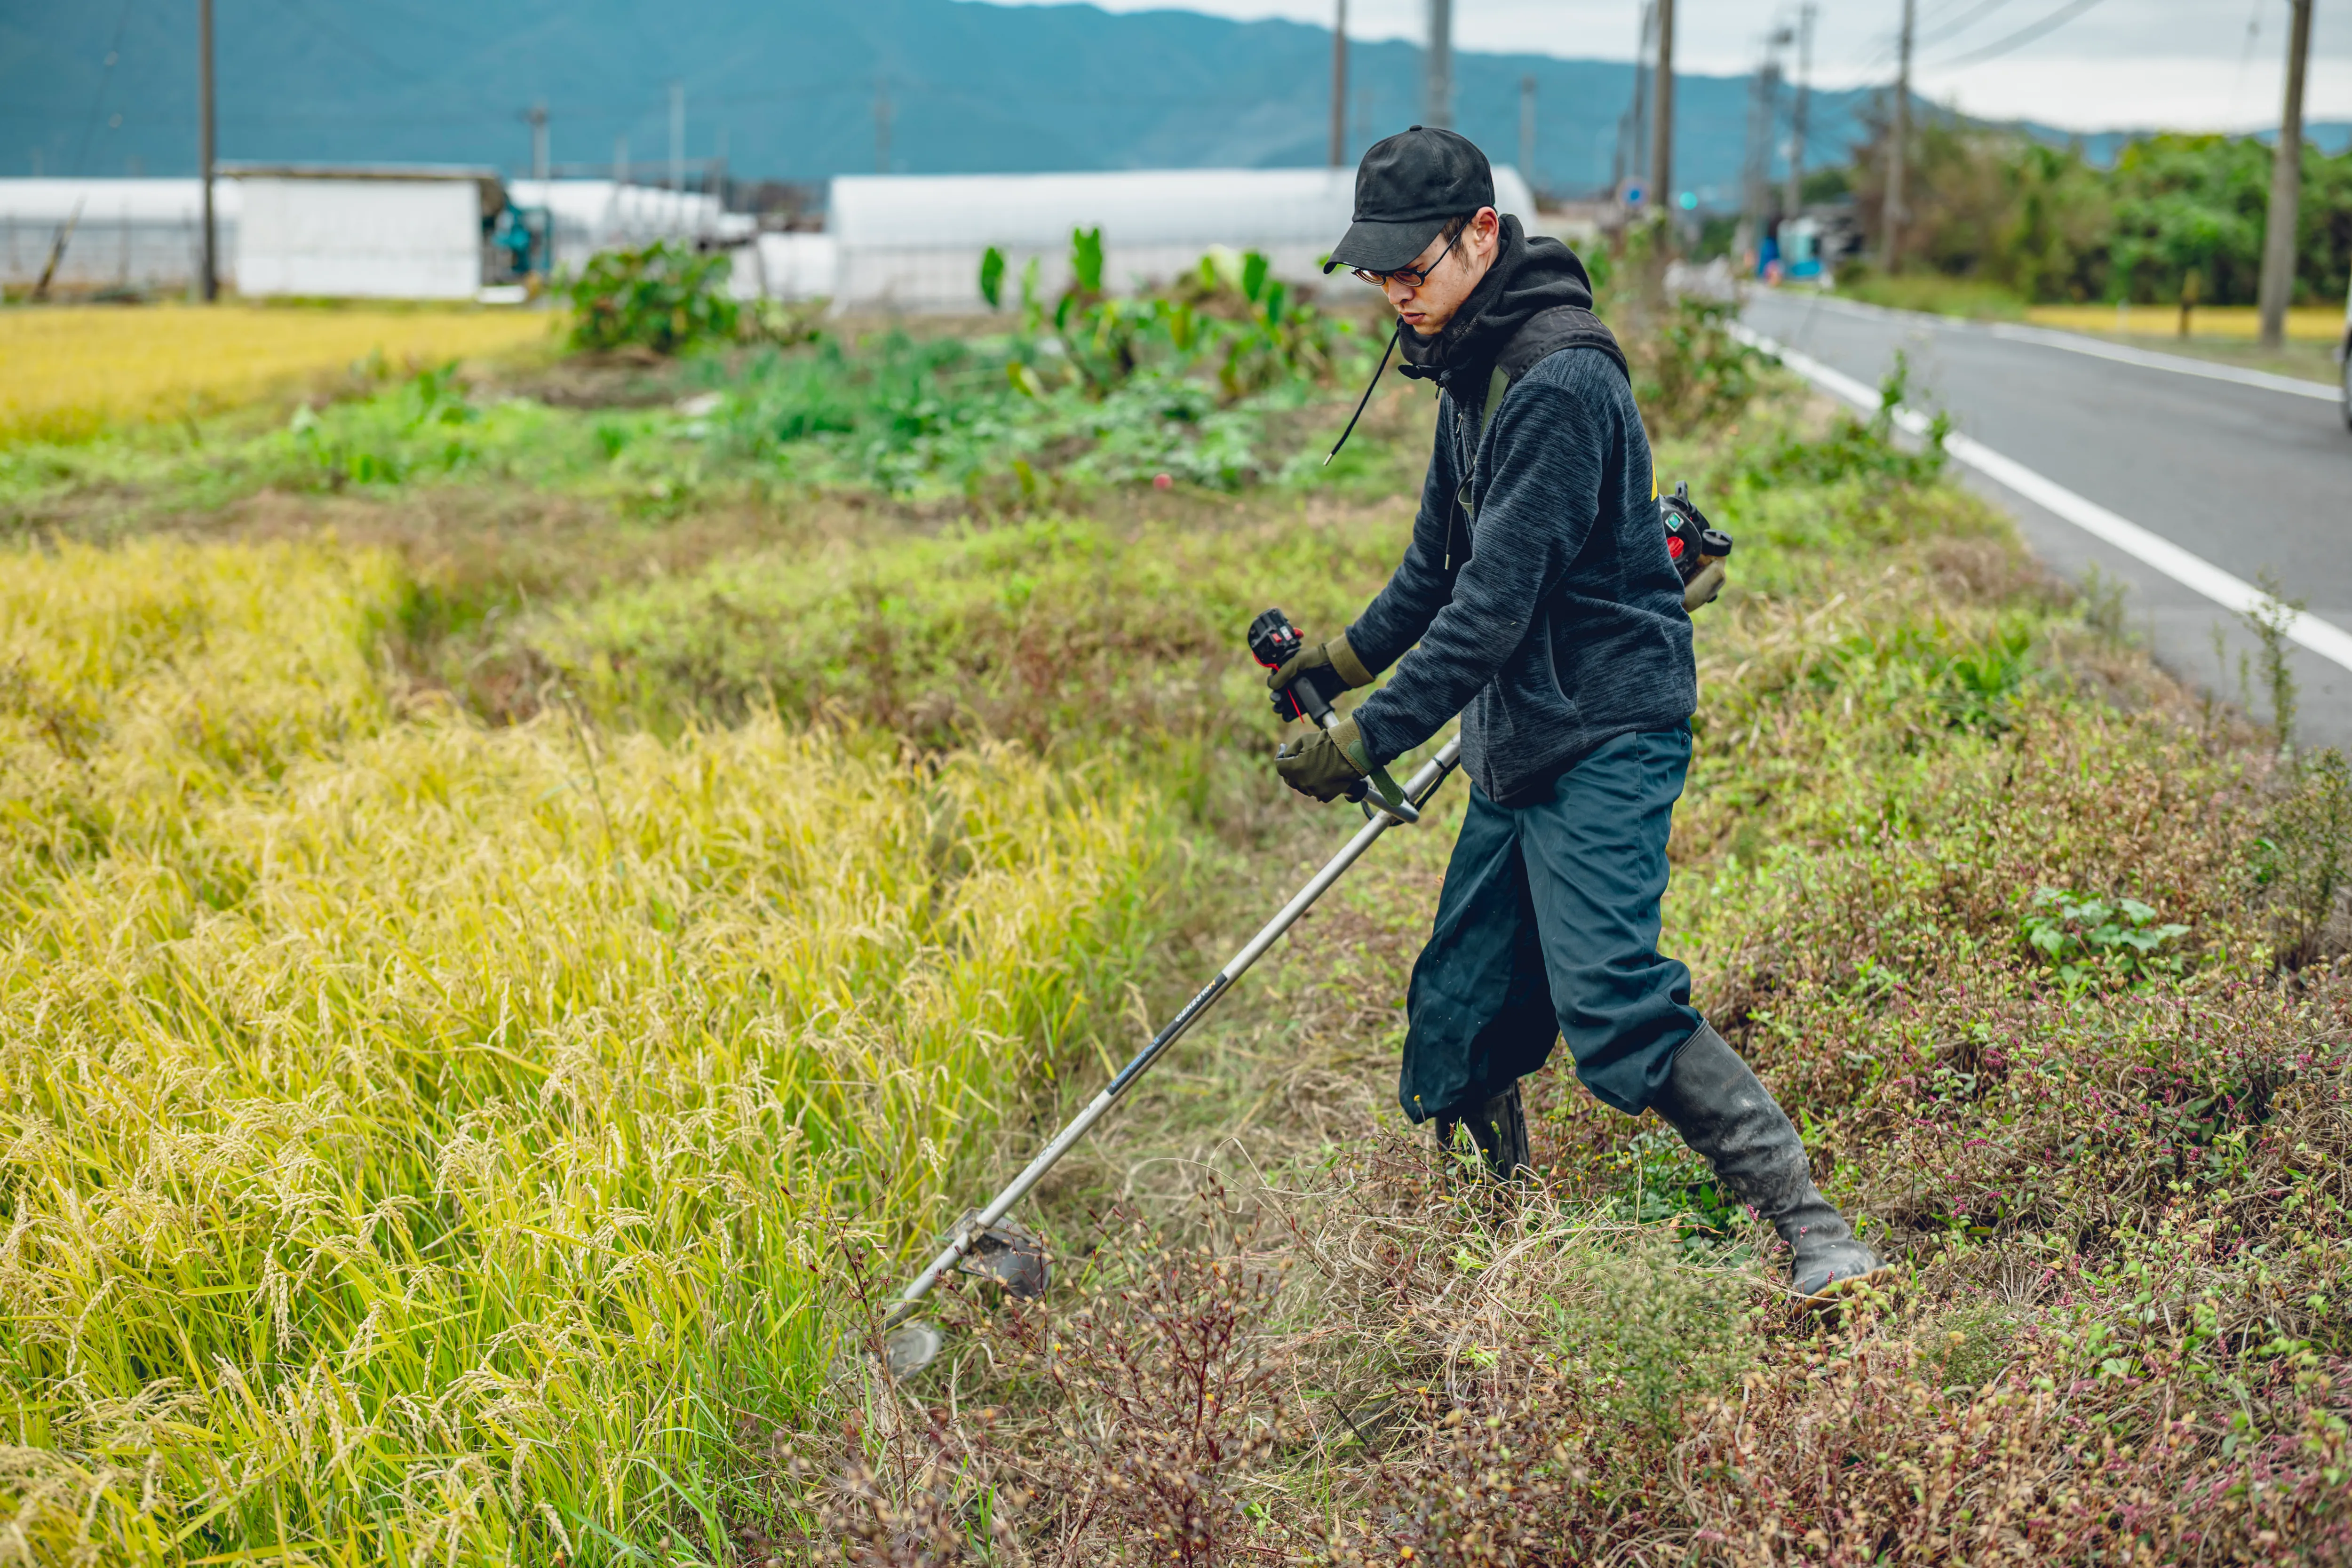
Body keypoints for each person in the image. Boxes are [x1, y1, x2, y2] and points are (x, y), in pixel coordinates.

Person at [1265, 126, 1882, 1301]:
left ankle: (1815, 1228)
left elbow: (1489, 612)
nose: (1396, 290)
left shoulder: (1554, 377)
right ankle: (1497, 1241)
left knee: (1608, 1003)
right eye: (1379, 271)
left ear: (1482, 235)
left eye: (1415, 265)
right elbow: (1433, 572)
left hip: (1602, 728)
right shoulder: (1463, 360)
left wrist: (1366, 738)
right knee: (1459, 1007)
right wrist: (1335, 669)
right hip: (1517, 731)